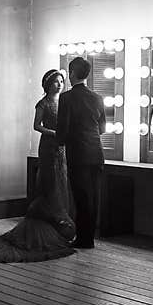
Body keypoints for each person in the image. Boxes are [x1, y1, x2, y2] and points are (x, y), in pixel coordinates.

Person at [0, 69, 76, 263]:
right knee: (50, 182)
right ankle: (50, 222)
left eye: (61, 81)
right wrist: (53, 132)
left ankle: (60, 226)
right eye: (55, 82)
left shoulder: (65, 102)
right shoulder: (43, 103)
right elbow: (36, 126)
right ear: (47, 85)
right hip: (49, 145)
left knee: (61, 181)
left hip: (62, 147)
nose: (59, 85)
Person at [56, 56, 106, 249]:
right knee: (94, 197)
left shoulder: (66, 98)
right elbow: (102, 128)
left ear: (73, 73)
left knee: (81, 198)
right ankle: (88, 238)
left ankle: (84, 240)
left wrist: (60, 141)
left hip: (78, 153)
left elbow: (62, 130)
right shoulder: (97, 97)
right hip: (97, 153)